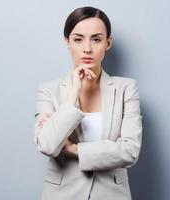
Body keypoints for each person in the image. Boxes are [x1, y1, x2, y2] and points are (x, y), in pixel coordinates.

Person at [33, 6, 143, 200]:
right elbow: (48, 145)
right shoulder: (48, 90)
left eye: (96, 39)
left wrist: (73, 149)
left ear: (108, 43)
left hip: (112, 194)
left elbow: (130, 151)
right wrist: (73, 92)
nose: (87, 48)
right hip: (62, 195)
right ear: (67, 41)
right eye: (78, 39)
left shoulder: (126, 88)